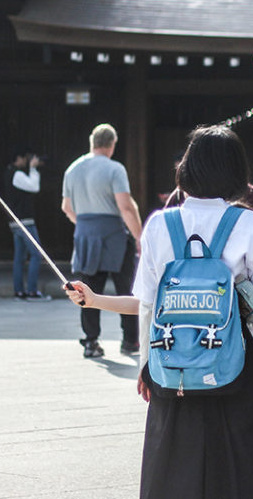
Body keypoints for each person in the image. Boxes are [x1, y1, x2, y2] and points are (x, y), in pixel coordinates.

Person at [65, 124, 253, 499]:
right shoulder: (248, 223)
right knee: (244, 468)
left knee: (173, 469)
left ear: (188, 168)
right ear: (235, 171)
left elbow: (149, 305)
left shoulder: (158, 225)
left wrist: (144, 365)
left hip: (173, 365)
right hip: (238, 363)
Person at [61, 123, 143, 358]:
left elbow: (66, 208)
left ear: (92, 142)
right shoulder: (114, 169)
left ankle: (90, 341)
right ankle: (130, 341)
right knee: (125, 288)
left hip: (85, 234)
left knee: (86, 289)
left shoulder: (72, 169)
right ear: (112, 144)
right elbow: (126, 207)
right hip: (114, 235)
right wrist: (139, 237)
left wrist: (85, 225)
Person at [4, 147, 50, 301]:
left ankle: (19, 292)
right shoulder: (16, 174)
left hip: (16, 222)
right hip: (24, 222)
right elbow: (34, 187)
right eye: (25, 158)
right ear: (18, 158)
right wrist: (33, 169)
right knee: (36, 255)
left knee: (19, 258)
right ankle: (31, 291)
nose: (27, 161)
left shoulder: (10, 173)